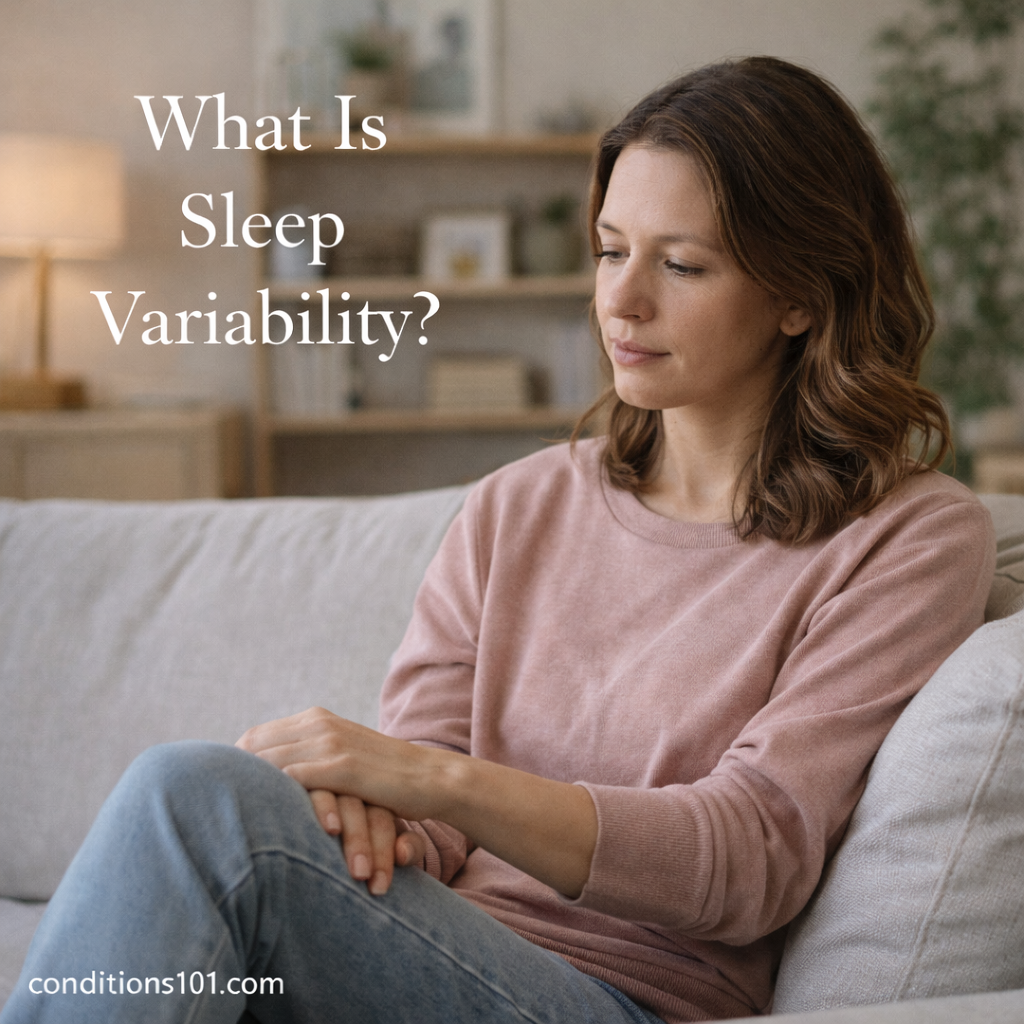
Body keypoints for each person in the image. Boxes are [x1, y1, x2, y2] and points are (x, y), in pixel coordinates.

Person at [2, 56, 995, 1024]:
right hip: (431, 951)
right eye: (610, 249)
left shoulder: (907, 537)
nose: (621, 299)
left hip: (621, 995)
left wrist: (429, 778)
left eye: (682, 263)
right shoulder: (515, 506)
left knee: (193, 795)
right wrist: (363, 807)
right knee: (210, 821)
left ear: (802, 295)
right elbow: (422, 819)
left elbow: (752, 855)